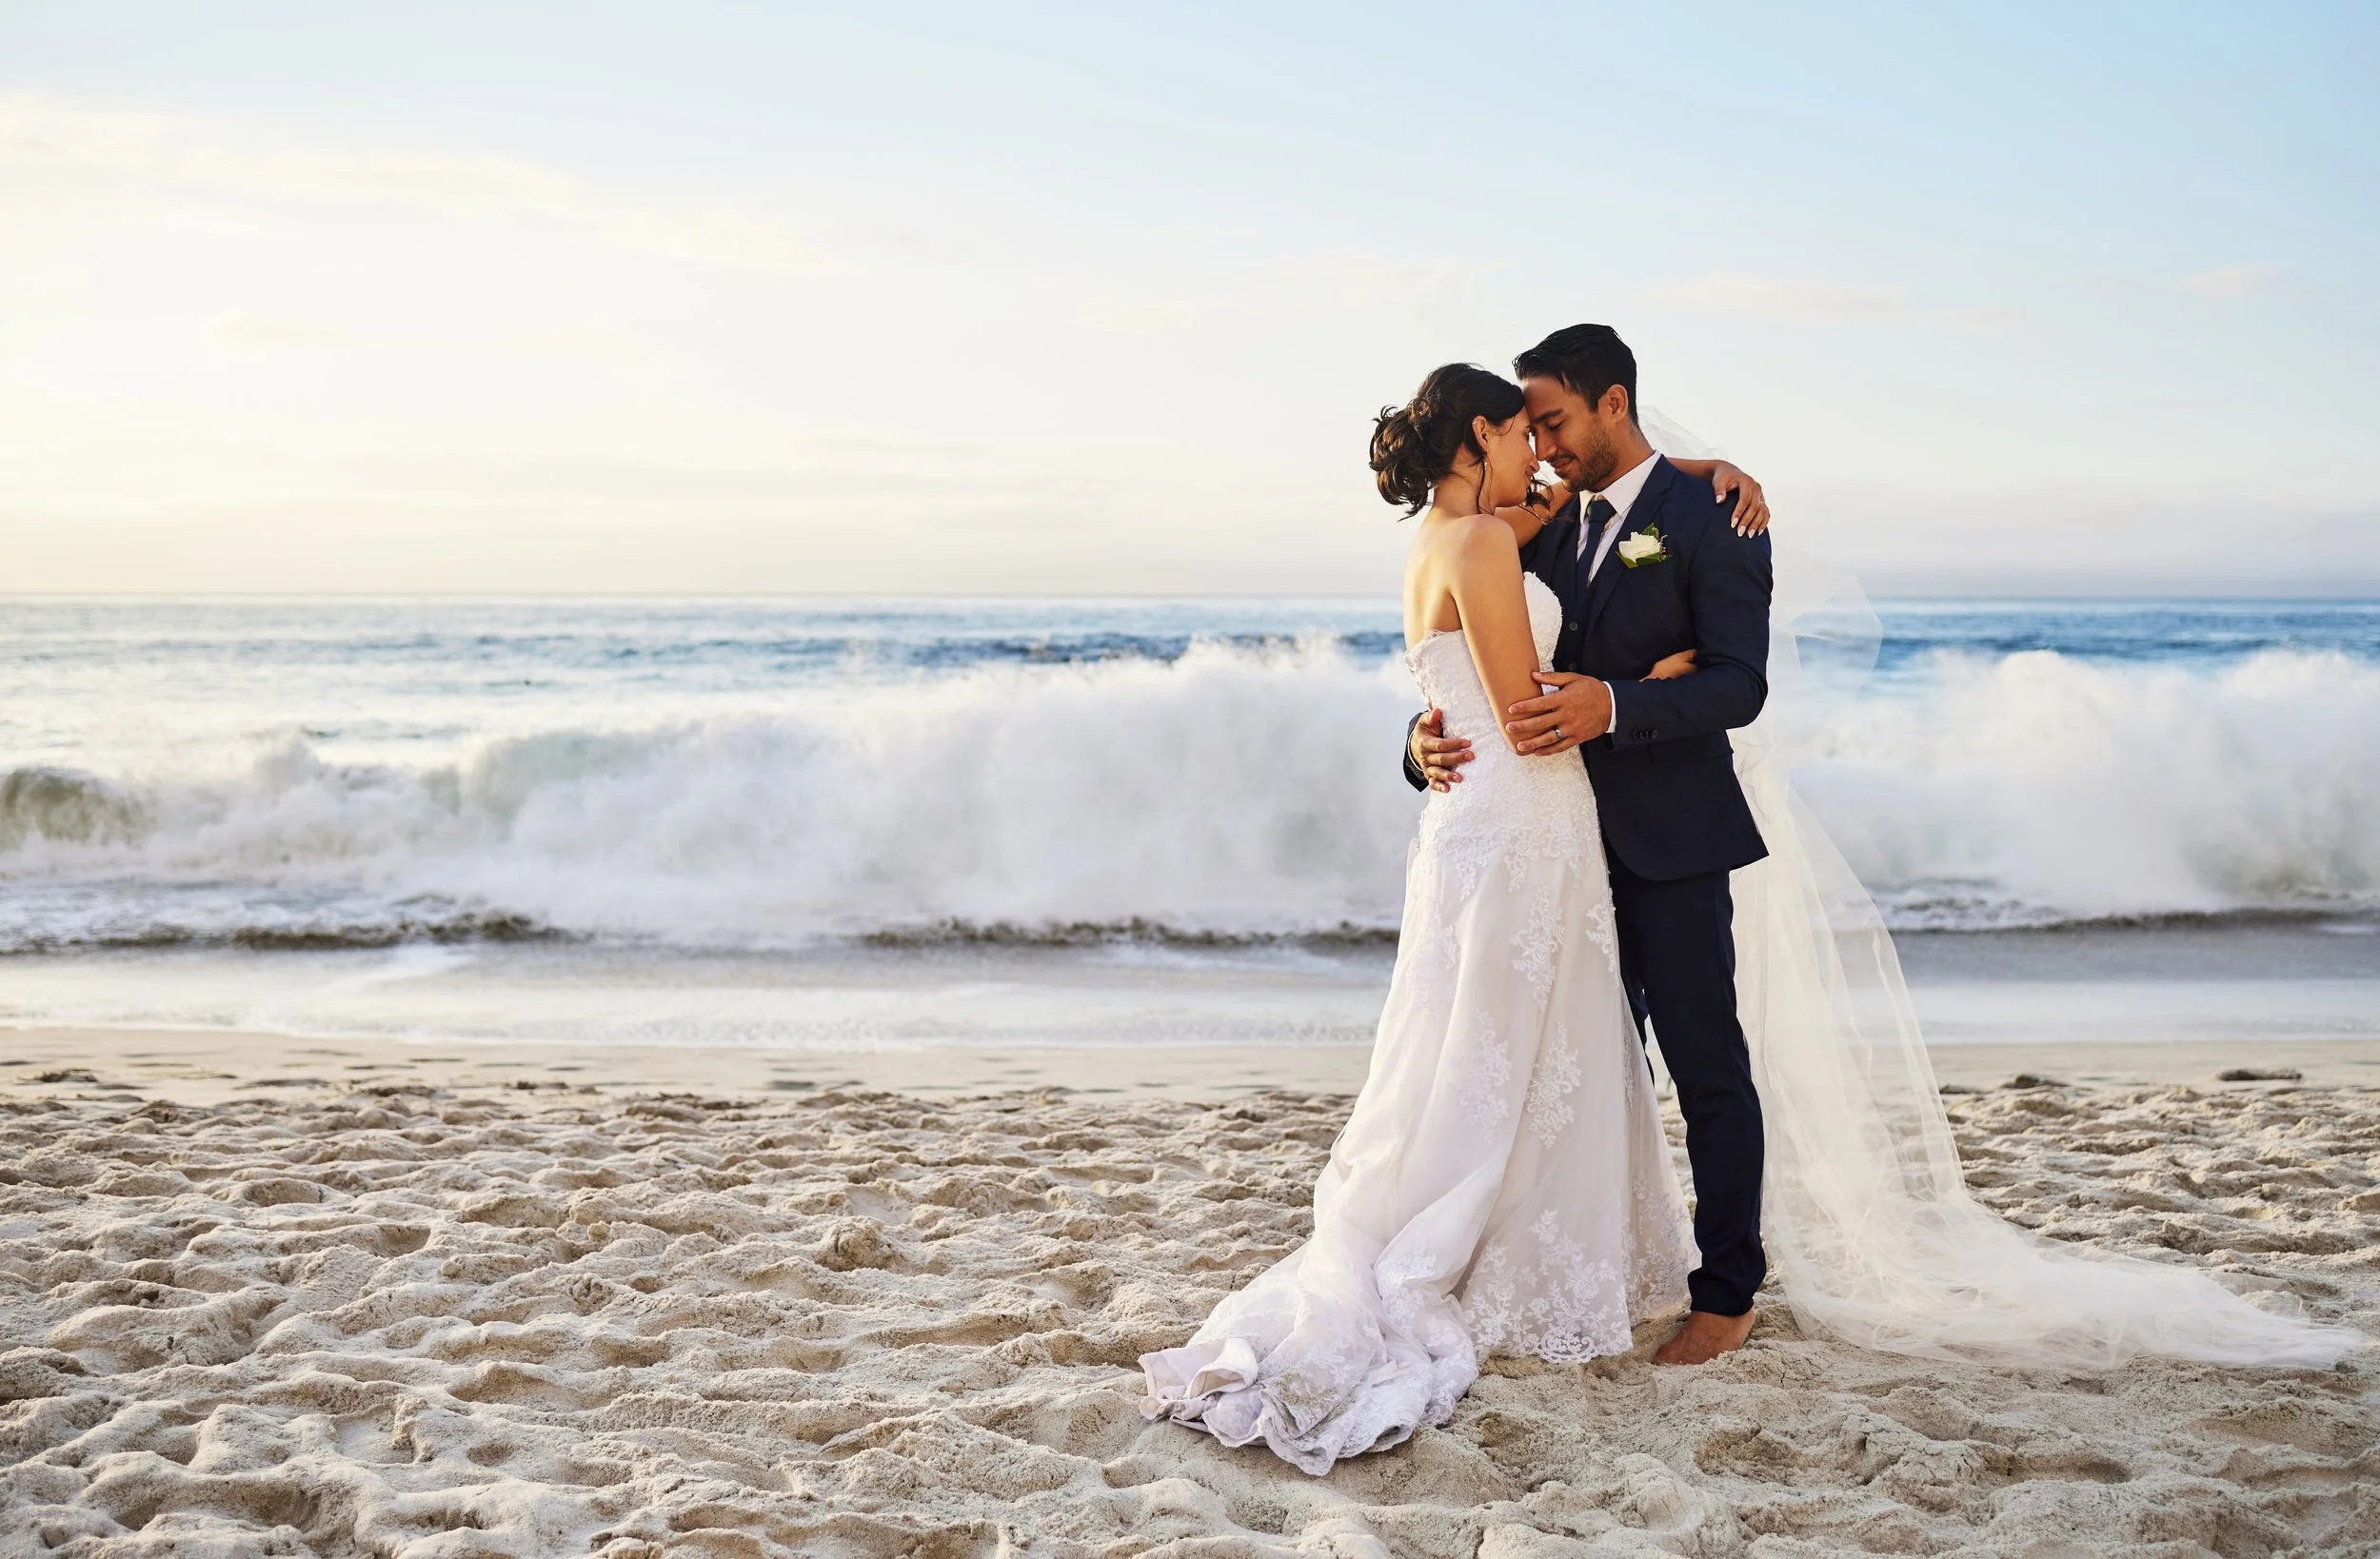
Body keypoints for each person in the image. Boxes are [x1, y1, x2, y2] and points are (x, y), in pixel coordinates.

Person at [1137, 359, 1767, 1474]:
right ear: (1481, 432)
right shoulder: (1487, 539)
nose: (1543, 446)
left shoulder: (1598, 518)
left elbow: (1724, 674)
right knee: (1515, 1054)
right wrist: (1448, 735)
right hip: (1529, 821)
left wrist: (1694, 484)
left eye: (1554, 423)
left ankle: (1724, 1293)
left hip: (1617, 835)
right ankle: (1522, 1260)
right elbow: (1500, 698)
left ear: (1606, 407)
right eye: (1524, 429)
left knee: (1641, 1058)